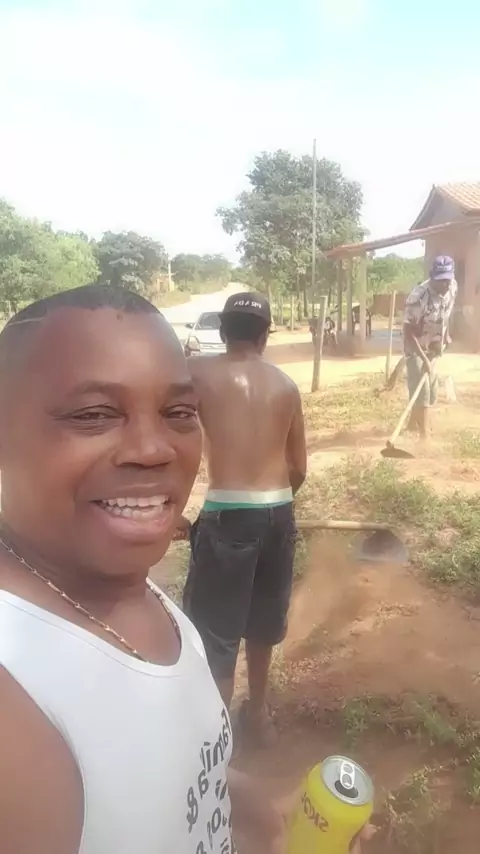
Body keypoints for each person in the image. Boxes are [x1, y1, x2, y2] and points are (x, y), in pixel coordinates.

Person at [0, 285, 286, 854]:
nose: (154, 449)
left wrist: (257, 812)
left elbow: (160, 770)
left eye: (179, 412)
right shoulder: (17, 705)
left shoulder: (116, 587)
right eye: (93, 414)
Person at [182, 292, 307, 746]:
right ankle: (258, 715)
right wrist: (270, 509)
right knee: (262, 624)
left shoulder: (195, 373)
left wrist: (178, 513)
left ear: (222, 331)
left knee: (218, 633)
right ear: (265, 335)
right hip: (278, 512)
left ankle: (219, 746)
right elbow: (299, 469)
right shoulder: (287, 386)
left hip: (227, 515)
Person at [403, 255, 457, 438]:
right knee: (423, 391)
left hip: (434, 346)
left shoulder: (452, 287)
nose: (445, 285)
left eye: (448, 280)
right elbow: (408, 331)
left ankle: (412, 423)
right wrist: (424, 359)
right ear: (432, 277)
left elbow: (447, 312)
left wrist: (446, 336)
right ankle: (424, 435)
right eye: (441, 281)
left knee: (431, 392)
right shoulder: (418, 297)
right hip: (415, 347)